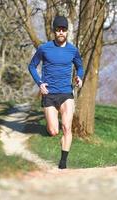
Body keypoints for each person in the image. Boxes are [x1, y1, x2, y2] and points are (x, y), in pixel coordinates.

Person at [28, 16, 84, 169]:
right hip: (50, 94)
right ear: (54, 31)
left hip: (66, 93)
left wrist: (79, 77)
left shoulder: (73, 50)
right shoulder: (44, 48)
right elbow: (32, 66)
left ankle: (63, 163)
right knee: (53, 131)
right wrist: (40, 83)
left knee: (67, 127)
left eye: (63, 30)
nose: (61, 32)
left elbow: (80, 67)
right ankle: (54, 129)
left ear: (67, 31)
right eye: (58, 29)